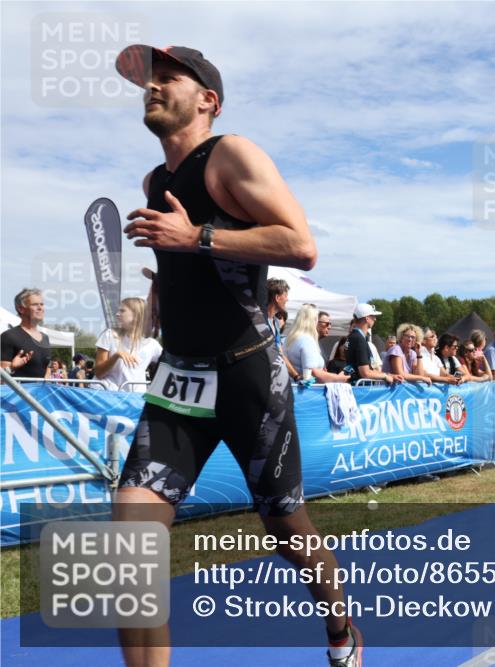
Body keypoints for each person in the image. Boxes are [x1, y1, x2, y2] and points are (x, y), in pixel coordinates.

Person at [114, 44, 360, 666]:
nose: (152, 87)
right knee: (127, 546)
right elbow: (185, 265)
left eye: (168, 78)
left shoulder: (232, 155)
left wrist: (194, 235)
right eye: (148, 80)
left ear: (208, 100)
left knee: (286, 528)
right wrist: (162, 288)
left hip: (247, 374)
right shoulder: (155, 182)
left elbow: (300, 245)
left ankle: (340, 629)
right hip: (178, 379)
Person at [94, 298, 163, 392]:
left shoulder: (152, 344)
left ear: (137, 315)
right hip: (107, 394)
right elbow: (98, 373)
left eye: (122, 311)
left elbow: (170, 364)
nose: (117, 314)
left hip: (135, 397)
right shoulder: (109, 335)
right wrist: (116, 355)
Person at [284, 304, 349, 384]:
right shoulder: (306, 340)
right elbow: (312, 372)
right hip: (306, 390)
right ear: (313, 320)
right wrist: (338, 378)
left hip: (291, 386)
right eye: (316, 319)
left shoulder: (289, 339)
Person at [344, 303, 401, 386]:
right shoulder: (359, 339)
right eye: (373, 316)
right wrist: (385, 376)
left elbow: (364, 369)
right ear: (367, 318)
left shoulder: (352, 336)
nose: (375, 319)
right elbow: (365, 373)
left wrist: (389, 375)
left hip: (355, 386)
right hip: (360, 389)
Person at [1, 288, 52, 379]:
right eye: (35, 304)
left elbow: (47, 369)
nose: (40, 308)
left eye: (42, 304)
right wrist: (12, 367)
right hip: (18, 388)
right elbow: (2, 379)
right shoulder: (8, 336)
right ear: (21, 309)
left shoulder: (45, 338)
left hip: (42, 389)